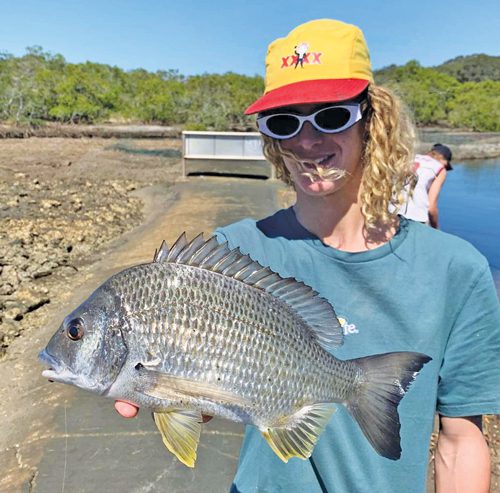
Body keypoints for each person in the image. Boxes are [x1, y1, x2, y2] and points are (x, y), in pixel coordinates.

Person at [114, 19, 500, 493]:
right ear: (270, 137)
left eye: (331, 116)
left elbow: (461, 443)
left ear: (370, 120)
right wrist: (182, 393)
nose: (307, 140)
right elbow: (209, 397)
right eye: (284, 122)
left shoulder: (455, 269)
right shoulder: (230, 254)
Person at [400, 143, 453, 228]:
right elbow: (431, 207)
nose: (446, 167)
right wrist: (436, 229)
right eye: (447, 165)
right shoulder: (440, 169)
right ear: (443, 160)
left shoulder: (410, 157)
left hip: (391, 212)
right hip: (416, 217)